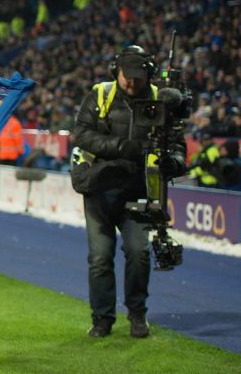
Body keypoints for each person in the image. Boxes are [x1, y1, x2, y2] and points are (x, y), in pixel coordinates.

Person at [71, 45, 185, 339]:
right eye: (126, 76)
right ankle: (102, 320)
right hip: (100, 187)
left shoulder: (162, 99)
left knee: (139, 254)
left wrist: (174, 162)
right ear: (116, 72)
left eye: (138, 77)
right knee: (100, 258)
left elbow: (178, 146)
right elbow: (82, 134)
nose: (131, 82)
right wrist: (122, 148)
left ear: (148, 74)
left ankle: (137, 315)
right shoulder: (99, 95)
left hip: (139, 190)